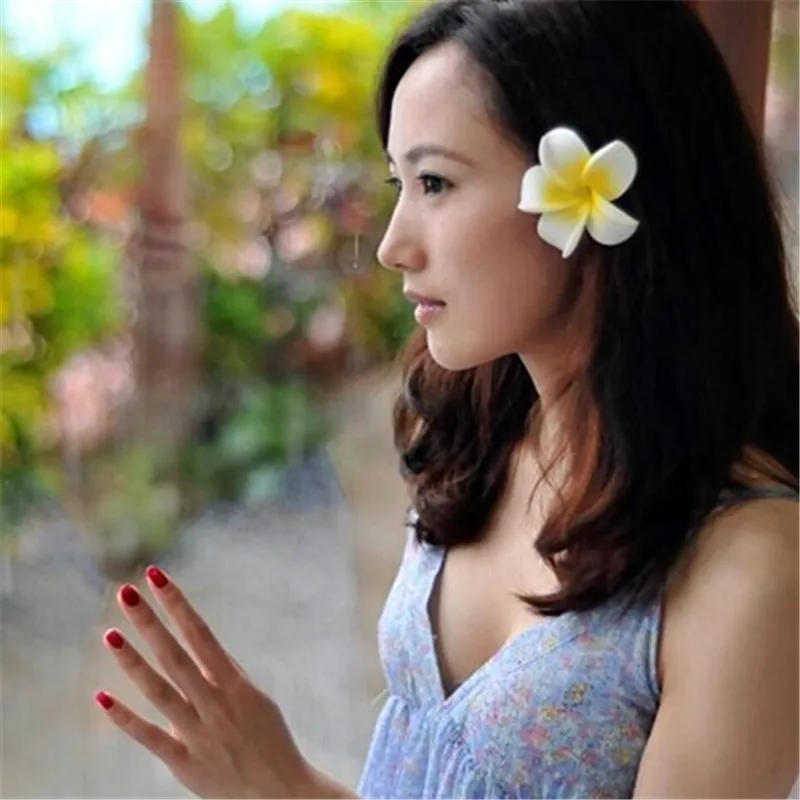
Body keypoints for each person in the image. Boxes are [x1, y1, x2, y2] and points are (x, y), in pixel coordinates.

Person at [92, 1, 799, 797]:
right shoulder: (478, 441)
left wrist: (284, 787)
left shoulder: (752, 566)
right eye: (400, 183)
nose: (393, 245)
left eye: (435, 182)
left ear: (595, 193)